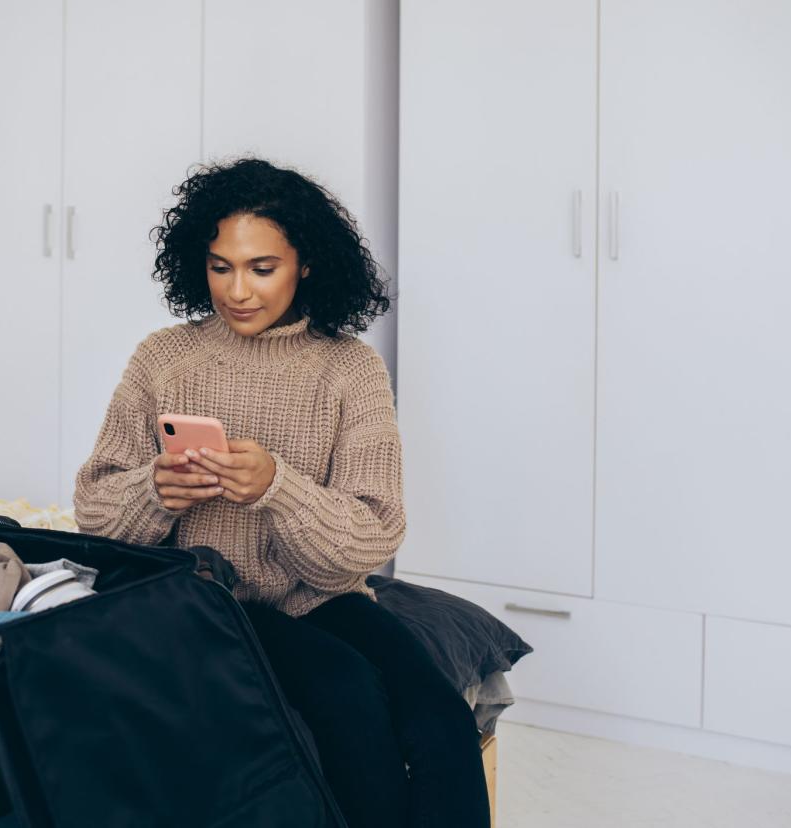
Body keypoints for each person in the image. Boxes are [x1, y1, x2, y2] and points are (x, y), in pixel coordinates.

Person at [73, 157, 490, 828]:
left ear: (307, 265)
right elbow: (94, 512)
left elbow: (372, 536)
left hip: (320, 594)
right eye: (220, 267)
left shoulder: (349, 368)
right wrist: (157, 490)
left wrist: (279, 489)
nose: (237, 290)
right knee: (346, 695)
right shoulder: (162, 358)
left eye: (261, 268)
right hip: (207, 601)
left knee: (438, 714)